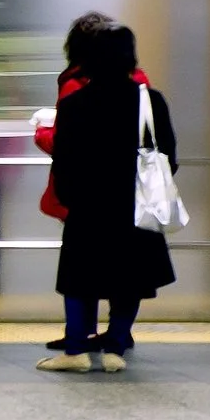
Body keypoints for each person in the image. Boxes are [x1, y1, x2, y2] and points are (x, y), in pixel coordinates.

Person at [41, 24, 176, 373]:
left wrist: (72, 199)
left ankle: (76, 351)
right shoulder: (151, 101)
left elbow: (64, 160)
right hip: (135, 206)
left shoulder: (74, 105)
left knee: (79, 279)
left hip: (87, 206)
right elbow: (168, 158)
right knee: (128, 279)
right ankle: (115, 347)